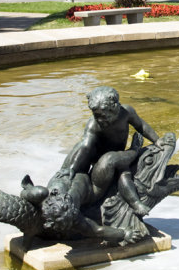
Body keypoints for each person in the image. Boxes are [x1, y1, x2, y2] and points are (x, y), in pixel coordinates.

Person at [60, 86, 158, 216]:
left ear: (115, 107)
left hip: (118, 154)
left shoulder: (126, 112)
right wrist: (72, 168)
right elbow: (85, 146)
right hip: (99, 160)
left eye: (104, 116)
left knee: (124, 174)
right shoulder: (93, 125)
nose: (100, 120)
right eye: (96, 116)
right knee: (118, 169)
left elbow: (141, 125)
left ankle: (135, 204)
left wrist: (157, 140)